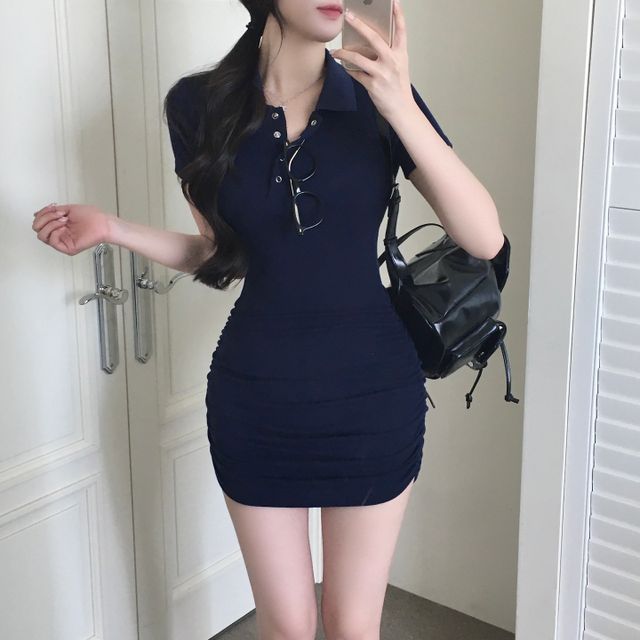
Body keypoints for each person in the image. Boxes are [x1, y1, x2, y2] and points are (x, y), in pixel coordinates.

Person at [32, 1, 504, 638]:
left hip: (372, 396)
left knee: (353, 625)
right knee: (285, 626)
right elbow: (221, 257)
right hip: (257, 396)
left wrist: (400, 107)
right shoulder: (198, 107)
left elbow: (483, 238)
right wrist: (113, 228)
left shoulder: (380, 95)